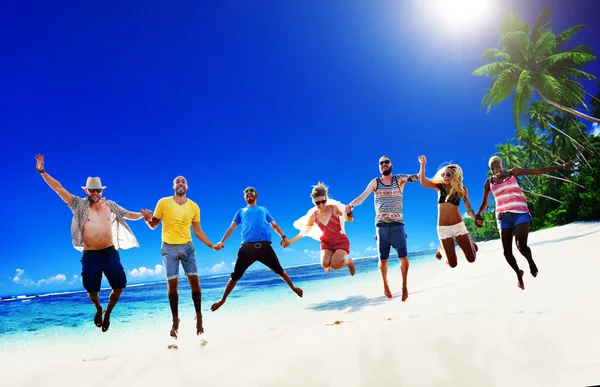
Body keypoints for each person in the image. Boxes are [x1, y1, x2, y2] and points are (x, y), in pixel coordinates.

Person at [35, 154, 145, 332]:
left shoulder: (111, 205)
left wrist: (144, 215)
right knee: (92, 293)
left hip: (110, 252)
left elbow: (130, 215)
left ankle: (108, 312)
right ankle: (98, 308)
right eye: (92, 190)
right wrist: (42, 172)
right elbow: (58, 188)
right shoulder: (77, 204)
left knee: (119, 287)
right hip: (90, 255)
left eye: (98, 190)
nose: (95, 193)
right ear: (86, 191)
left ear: (102, 191)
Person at [475, 156, 574, 290]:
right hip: (502, 217)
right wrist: (479, 213)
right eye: (493, 168)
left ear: (502, 164)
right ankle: (518, 273)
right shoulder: (489, 182)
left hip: (520, 212)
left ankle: (530, 261)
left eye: (498, 167)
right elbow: (485, 203)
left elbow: (537, 171)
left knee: (521, 246)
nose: (496, 170)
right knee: (506, 253)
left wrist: (561, 166)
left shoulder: (513, 173)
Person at [141, 176, 217, 339]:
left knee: (195, 285)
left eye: (183, 181)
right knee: (172, 287)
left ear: (187, 186)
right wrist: (147, 219)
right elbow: (154, 225)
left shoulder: (194, 206)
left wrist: (211, 245)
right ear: (173, 186)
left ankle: (199, 316)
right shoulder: (163, 202)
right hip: (169, 249)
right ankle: (175, 319)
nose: (181, 183)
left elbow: (198, 231)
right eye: (178, 181)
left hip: (188, 247)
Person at [210, 186, 303, 312]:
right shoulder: (240, 212)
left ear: (256, 195)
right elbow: (231, 228)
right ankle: (222, 300)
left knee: (280, 271)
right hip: (246, 248)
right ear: (244, 197)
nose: (248, 193)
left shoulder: (263, 210)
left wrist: (283, 237)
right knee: (235, 276)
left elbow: (274, 225)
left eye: (251, 192)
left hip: (264, 247)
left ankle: (293, 288)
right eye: (246, 192)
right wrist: (221, 241)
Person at [346, 155, 419, 301]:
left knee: (404, 259)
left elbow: (417, 177)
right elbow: (363, 196)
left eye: (386, 162)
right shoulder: (375, 182)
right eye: (381, 163)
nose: (384, 164)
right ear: (379, 166)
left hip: (398, 225)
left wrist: (422, 165)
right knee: (383, 261)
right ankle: (385, 284)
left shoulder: (399, 179)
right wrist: (351, 205)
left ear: (391, 164)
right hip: (381, 227)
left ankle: (404, 285)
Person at [417, 155, 478, 267]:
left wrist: (475, 218)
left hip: (458, 226)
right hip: (443, 229)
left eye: (448, 174)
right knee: (452, 264)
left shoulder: (462, 190)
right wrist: (422, 165)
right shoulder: (439, 187)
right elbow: (423, 183)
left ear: (455, 176)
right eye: (443, 174)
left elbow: (467, 206)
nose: (445, 177)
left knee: (472, 258)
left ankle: (469, 240)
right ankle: (441, 250)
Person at [287, 182, 356, 275]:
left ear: (326, 199)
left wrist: (349, 213)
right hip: (326, 242)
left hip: (340, 241)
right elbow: (304, 232)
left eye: (323, 201)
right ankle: (328, 262)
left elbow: (350, 220)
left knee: (335, 265)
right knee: (325, 264)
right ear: (313, 201)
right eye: (317, 203)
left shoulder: (334, 208)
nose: (321, 205)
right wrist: (289, 242)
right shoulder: (313, 216)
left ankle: (349, 262)